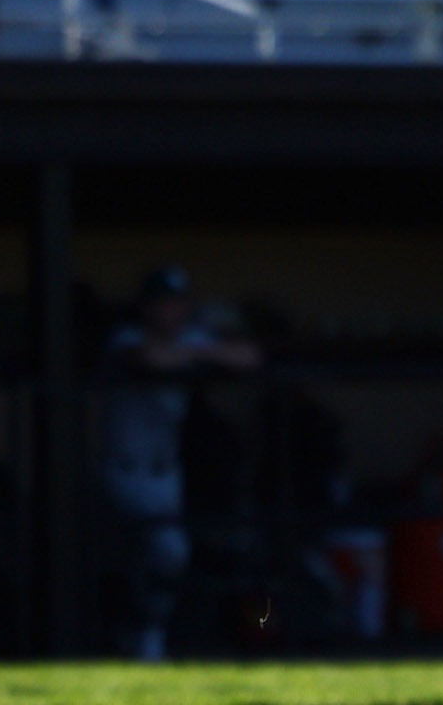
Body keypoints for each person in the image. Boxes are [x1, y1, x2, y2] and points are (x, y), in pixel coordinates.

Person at [97, 265, 262, 660]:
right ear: (148, 307)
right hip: (125, 470)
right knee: (151, 554)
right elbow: (151, 359)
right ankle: (137, 637)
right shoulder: (126, 337)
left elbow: (250, 355)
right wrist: (196, 356)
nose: (173, 311)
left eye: (179, 302)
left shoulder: (191, 338)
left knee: (166, 555)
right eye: (164, 303)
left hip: (167, 472)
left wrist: (195, 351)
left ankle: (144, 637)